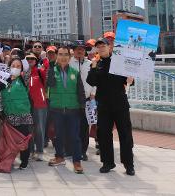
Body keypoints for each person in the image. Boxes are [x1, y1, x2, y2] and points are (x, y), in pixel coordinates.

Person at [86, 38, 135, 176]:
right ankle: (108, 163)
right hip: (104, 106)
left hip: (120, 104)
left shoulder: (120, 61)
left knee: (125, 135)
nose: (101, 48)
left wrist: (131, 80)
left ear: (109, 47)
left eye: (103, 46)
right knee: (103, 135)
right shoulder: (96, 64)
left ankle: (129, 165)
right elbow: (91, 81)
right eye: (98, 47)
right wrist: (94, 67)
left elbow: (130, 80)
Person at [47, 47, 86, 174]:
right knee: (58, 135)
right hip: (57, 109)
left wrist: (82, 107)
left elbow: (80, 91)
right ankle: (59, 157)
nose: (63, 57)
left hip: (73, 109)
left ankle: (77, 161)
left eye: (66, 55)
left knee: (75, 137)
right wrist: (52, 68)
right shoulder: (52, 70)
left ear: (69, 57)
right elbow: (50, 84)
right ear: (57, 56)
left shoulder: (75, 72)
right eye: (60, 54)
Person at [0, 58, 33, 169]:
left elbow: (28, 71)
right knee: (10, 140)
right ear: (9, 67)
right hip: (10, 115)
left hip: (23, 115)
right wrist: (0, 111)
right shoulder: (4, 80)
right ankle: (9, 160)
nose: (16, 68)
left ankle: (24, 160)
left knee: (23, 139)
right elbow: (0, 97)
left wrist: (23, 58)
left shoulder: (24, 79)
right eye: (13, 65)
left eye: (18, 66)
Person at [70, 40, 95, 161]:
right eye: (77, 49)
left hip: (86, 100)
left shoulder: (91, 63)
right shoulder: (68, 63)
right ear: (73, 51)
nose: (79, 51)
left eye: (82, 49)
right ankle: (72, 149)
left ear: (85, 51)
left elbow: (95, 80)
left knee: (85, 127)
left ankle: (83, 151)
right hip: (72, 99)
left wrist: (93, 93)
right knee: (72, 125)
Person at [26, 53, 47, 161]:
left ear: (36, 60)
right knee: (28, 128)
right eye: (27, 58)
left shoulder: (40, 71)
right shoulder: (22, 72)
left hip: (39, 103)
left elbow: (49, 77)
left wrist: (45, 60)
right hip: (26, 104)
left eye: (32, 58)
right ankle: (30, 151)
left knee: (39, 128)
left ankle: (39, 151)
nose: (30, 60)